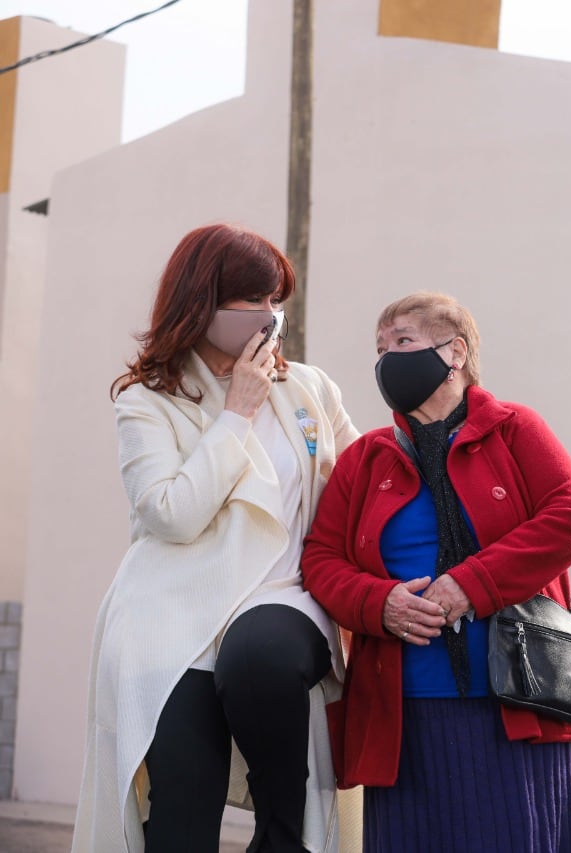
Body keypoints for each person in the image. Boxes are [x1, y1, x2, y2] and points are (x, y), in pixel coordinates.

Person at [73, 224, 360, 853]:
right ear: (203, 304)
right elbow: (172, 514)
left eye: (276, 301)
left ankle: (282, 838)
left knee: (261, 661)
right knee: (181, 807)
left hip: (281, 596)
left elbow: (360, 485)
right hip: (173, 613)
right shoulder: (147, 400)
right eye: (253, 302)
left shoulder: (309, 388)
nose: (269, 317)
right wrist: (237, 413)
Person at [300, 291, 571, 853]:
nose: (387, 358)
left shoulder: (516, 429)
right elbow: (321, 559)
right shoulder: (365, 457)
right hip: (402, 715)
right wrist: (381, 603)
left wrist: (468, 585)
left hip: (512, 704)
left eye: (403, 341)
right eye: (379, 348)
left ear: (456, 352)